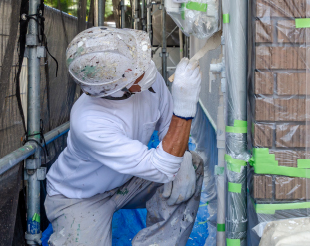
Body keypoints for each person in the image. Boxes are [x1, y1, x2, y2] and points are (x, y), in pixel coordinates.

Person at [44, 27, 203, 246]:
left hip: (128, 181)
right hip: (80, 197)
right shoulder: (89, 122)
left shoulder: (145, 80)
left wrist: (182, 159)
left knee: (191, 164)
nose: (146, 68)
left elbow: (168, 125)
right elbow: (161, 167)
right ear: (114, 89)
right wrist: (185, 107)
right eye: (135, 69)